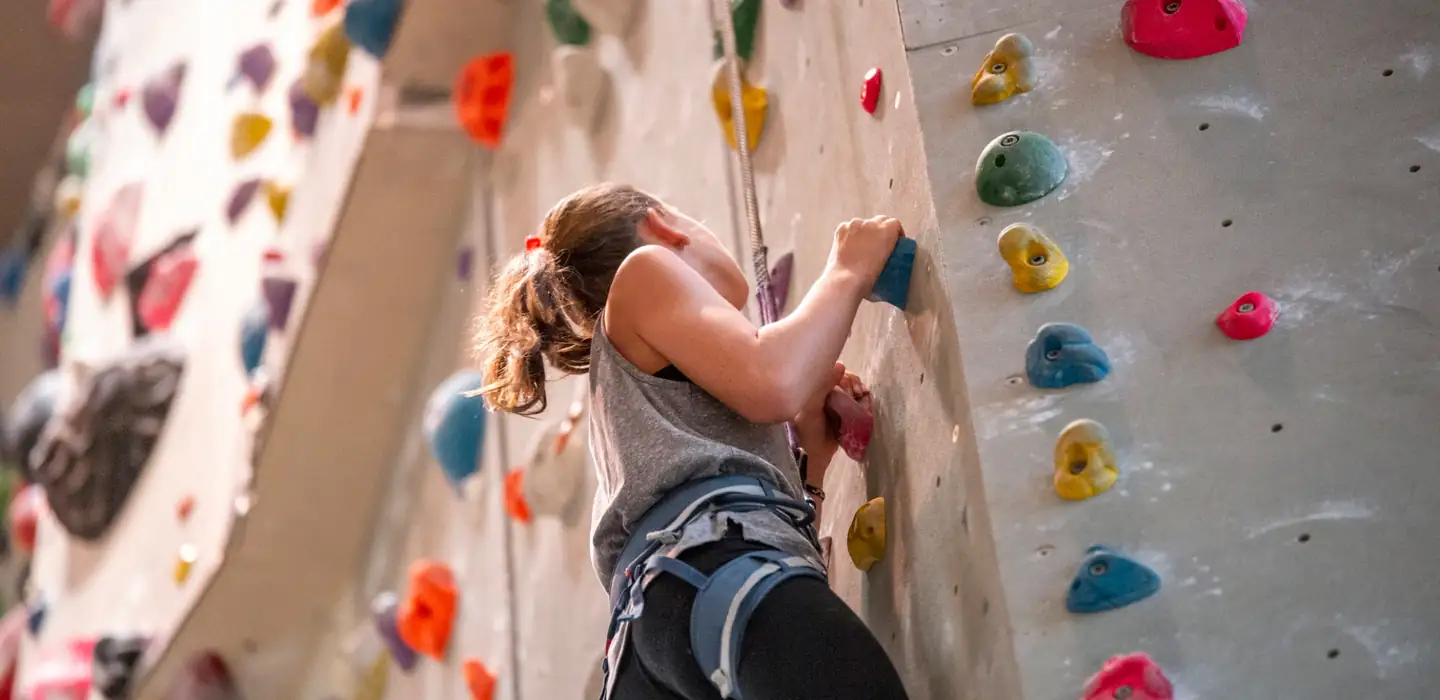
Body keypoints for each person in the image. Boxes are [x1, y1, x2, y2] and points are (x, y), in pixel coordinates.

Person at [476, 183, 910, 700]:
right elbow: (773, 380)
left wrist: (810, 464)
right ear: (663, 227)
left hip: (662, 647)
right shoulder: (645, 271)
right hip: (704, 583)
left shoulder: (633, 416)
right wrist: (847, 268)